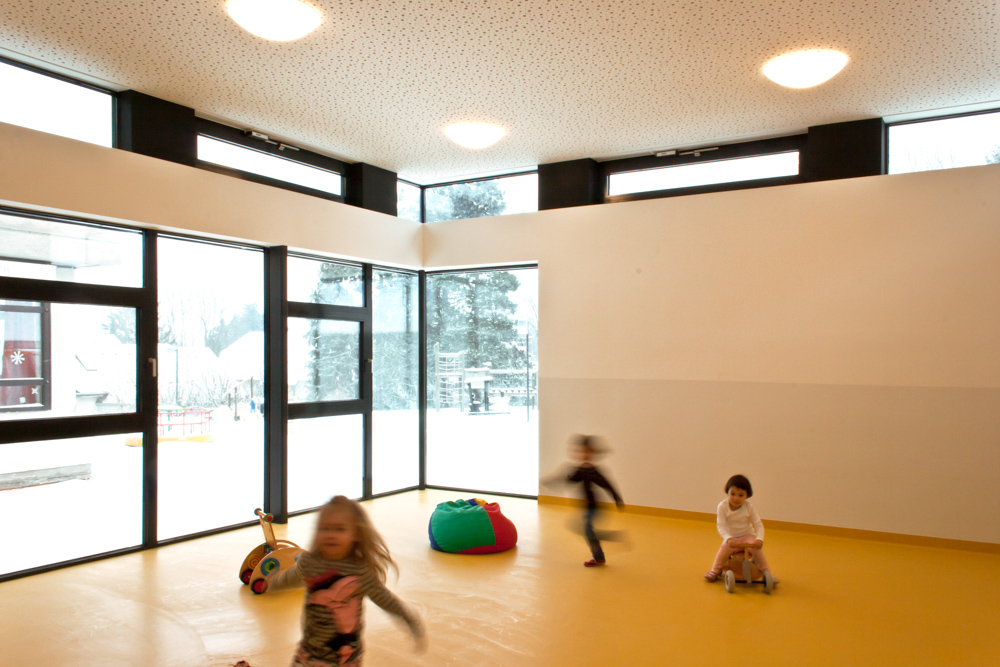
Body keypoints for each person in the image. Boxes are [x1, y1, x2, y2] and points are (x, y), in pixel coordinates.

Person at [269, 495, 425, 666]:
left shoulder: (360, 570)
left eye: (339, 529)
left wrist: (409, 618)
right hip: (309, 655)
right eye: (324, 528)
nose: (330, 535)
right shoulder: (309, 562)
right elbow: (292, 577)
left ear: (356, 534)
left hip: (345, 658)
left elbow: (384, 598)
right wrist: (273, 583)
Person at [565, 434, 625, 567]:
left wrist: (617, 498)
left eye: (587, 451)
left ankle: (599, 557)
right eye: (581, 451)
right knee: (585, 530)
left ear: (592, 453)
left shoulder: (594, 471)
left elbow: (607, 484)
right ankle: (605, 541)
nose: (584, 454)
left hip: (594, 507)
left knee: (588, 531)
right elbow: (572, 480)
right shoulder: (580, 469)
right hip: (586, 507)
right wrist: (568, 477)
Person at [703, 474, 774, 582]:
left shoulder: (748, 507)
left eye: (741, 495)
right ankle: (715, 570)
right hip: (732, 538)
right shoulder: (722, 506)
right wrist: (728, 538)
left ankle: (767, 572)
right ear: (727, 492)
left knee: (757, 548)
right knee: (723, 549)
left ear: (747, 496)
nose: (736, 498)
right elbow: (721, 525)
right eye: (733, 494)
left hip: (747, 536)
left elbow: (758, 524)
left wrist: (759, 539)